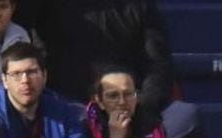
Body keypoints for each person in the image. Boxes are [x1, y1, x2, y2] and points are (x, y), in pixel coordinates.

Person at [18, 0, 176, 122]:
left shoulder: (140, 5)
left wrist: (141, 106)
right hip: (67, 103)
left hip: (130, 103)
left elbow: (158, 63)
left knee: (183, 118)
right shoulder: (42, 6)